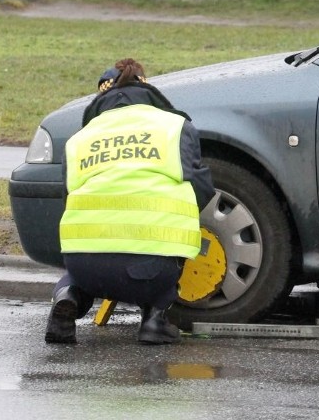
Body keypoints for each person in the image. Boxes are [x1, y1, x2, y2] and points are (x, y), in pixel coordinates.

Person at [45, 58, 214, 345]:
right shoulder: (174, 127)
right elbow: (200, 187)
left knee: (81, 267)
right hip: (150, 269)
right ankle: (154, 320)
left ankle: (68, 296)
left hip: (85, 265)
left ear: (102, 98)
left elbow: (68, 198)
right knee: (170, 240)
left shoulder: (80, 139)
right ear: (146, 89)